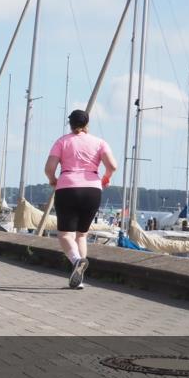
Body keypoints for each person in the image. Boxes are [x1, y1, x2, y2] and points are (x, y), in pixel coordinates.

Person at [44, 109, 117, 289]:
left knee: (65, 234)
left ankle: (77, 260)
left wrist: (53, 180)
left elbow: (49, 168)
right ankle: (80, 279)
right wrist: (105, 179)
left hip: (68, 186)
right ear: (87, 124)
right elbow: (112, 166)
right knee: (82, 235)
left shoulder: (62, 142)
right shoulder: (99, 143)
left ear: (70, 124)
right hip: (92, 189)